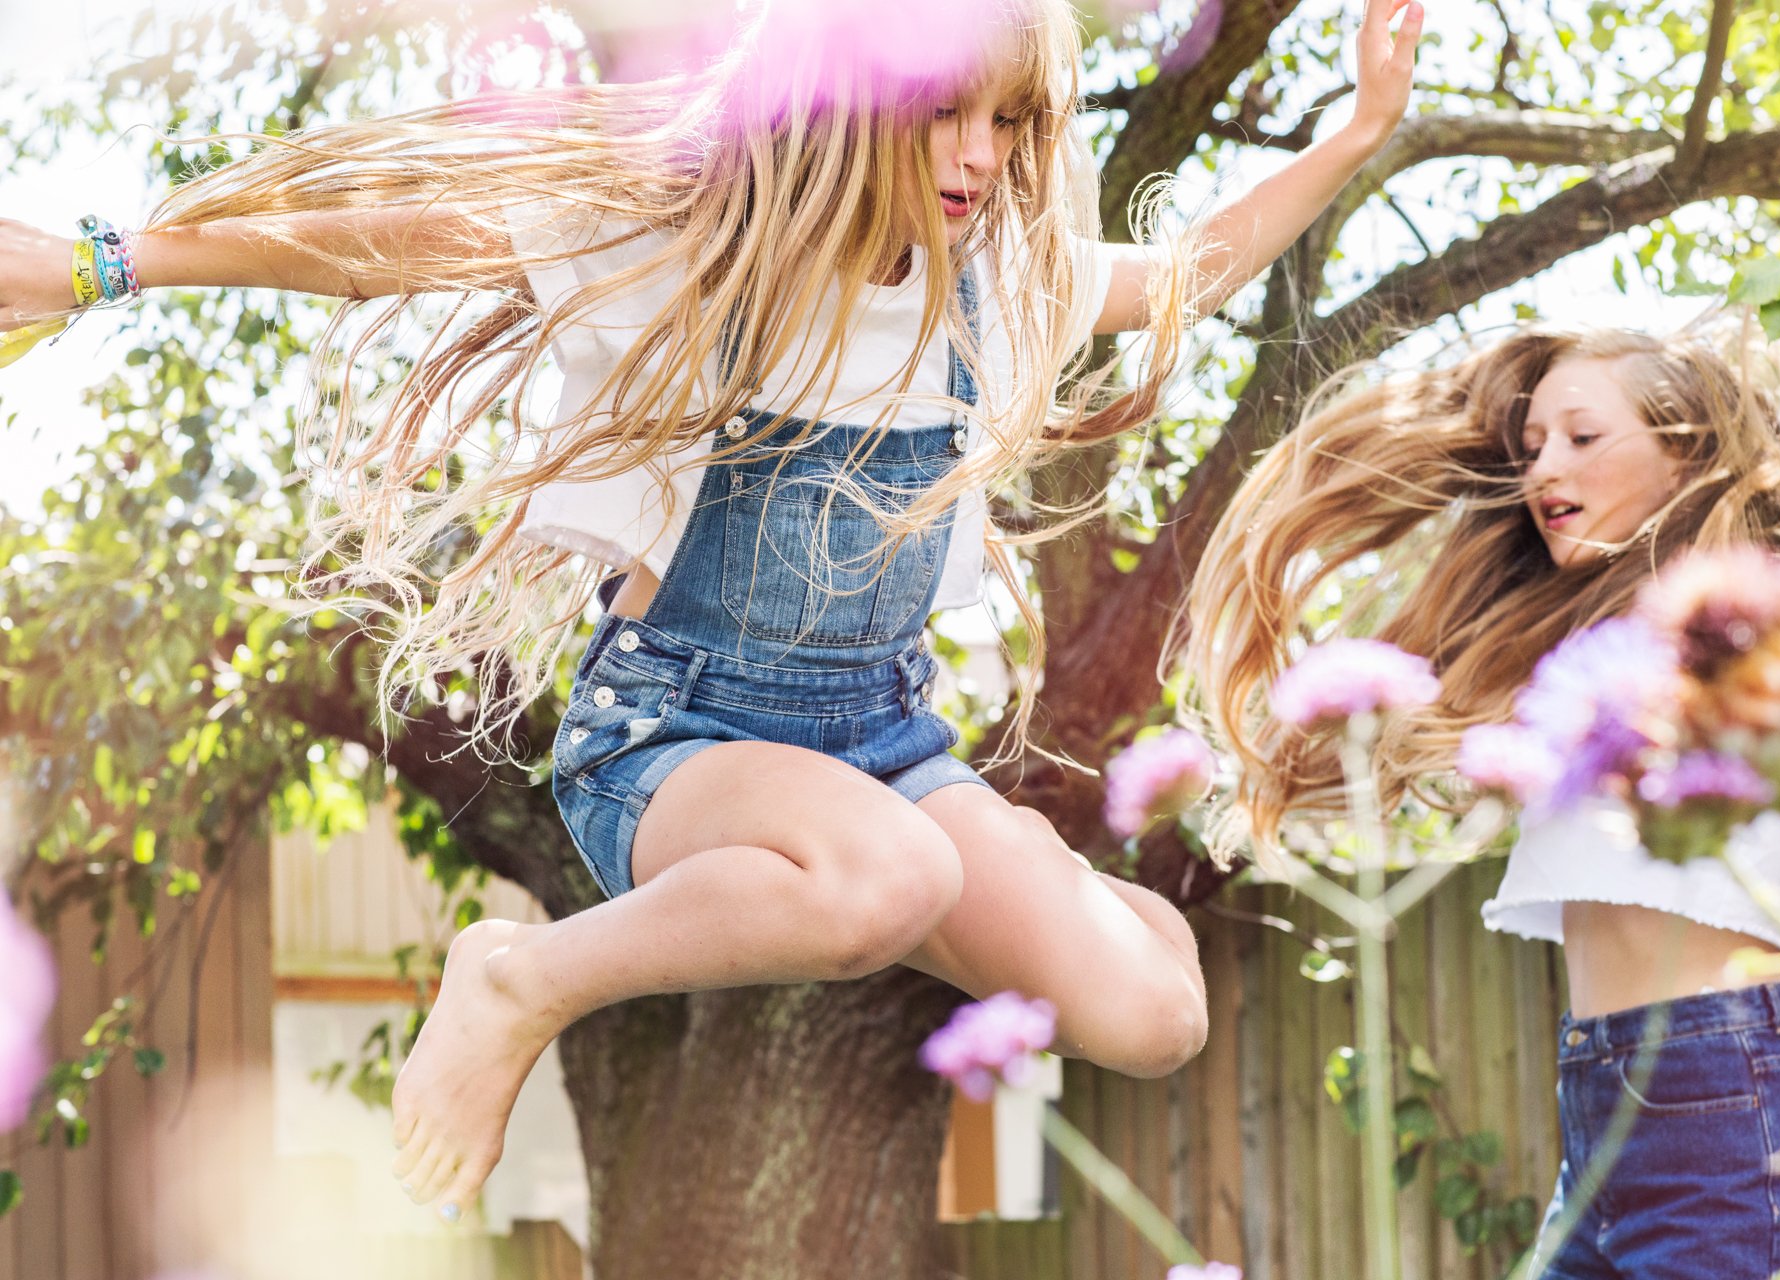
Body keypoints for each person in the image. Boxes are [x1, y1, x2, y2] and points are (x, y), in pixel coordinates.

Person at [0, 0, 1424, 1226]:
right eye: (943, 115)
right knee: (898, 880)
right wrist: (107, 263)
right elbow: (408, 239)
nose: (983, 158)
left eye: (1010, 122)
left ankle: (976, 878)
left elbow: (1186, 277)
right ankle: (517, 981)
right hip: (675, 742)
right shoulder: (695, 244)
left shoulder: (996, 292)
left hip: (884, 747)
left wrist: (1357, 132)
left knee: (1155, 1020)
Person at [1185, 322, 1780, 1277]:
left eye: (1581, 437)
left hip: (1724, 1103)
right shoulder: (1571, 650)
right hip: (1602, 1097)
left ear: (1685, 448)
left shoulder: (1752, 633)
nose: (1542, 472)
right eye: (1531, 447)